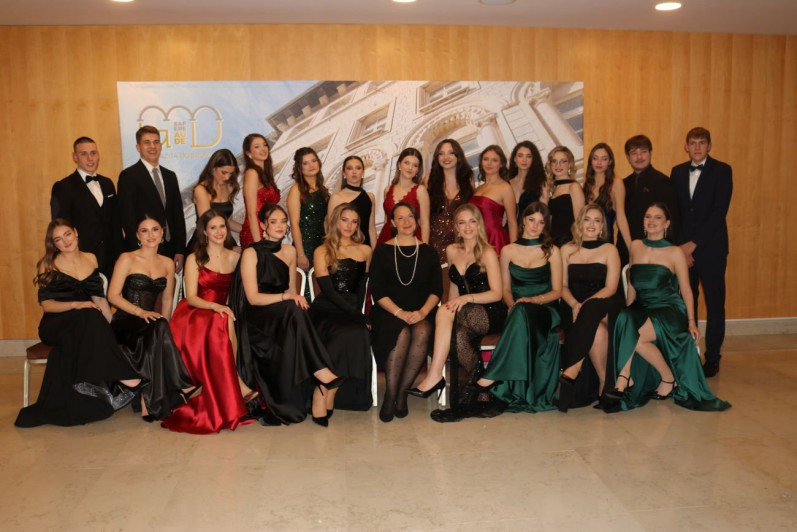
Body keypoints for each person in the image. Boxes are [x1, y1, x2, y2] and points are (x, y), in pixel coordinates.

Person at [15, 220, 141, 428]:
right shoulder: (47, 263)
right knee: (89, 313)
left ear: (75, 232)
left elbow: (99, 298)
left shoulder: (91, 258)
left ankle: (89, 382)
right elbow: (47, 305)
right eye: (58, 239)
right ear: (54, 244)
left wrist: (112, 330)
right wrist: (76, 304)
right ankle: (124, 377)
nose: (65, 241)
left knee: (93, 314)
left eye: (67, 234)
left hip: (85, 321)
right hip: (56, 324)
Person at [608, 203, 730, 412]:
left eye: (658, 218)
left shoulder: (675, 252)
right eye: (648, 216)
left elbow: (687, 290)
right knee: (625, 319)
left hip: (668, 310)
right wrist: (630, 310)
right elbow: (632, 283)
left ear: (667, 224)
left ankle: (625, 378)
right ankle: (664, 377)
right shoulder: (635, 246)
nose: (652, 221)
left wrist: (691, 322)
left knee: (635, 335)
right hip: (643, 307)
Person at [230, 203, 344, 426]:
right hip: (256, 317)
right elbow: (253, 298)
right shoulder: (251, 252)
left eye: (284, 222)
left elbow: (292, 290)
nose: (280, 226)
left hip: (281, 313)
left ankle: (319, 373)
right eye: (274, 222)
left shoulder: (290, 251)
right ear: (263, 225)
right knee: (293, 307)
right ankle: (321, 371)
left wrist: (290, 297)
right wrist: (285, 297)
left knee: (297, 308)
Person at [409, 204, 507, 422]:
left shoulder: (488, 252)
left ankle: (435, 375)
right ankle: (478, 393)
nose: (468, 227)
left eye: (472, 221)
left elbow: (497, 294)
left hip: (490, 311)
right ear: (456, 227)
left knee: (447, 313)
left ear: (479, 224)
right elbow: (454, 287)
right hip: (465, 311)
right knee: (459, 337)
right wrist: (450, 309)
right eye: (462, 222)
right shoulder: (452, 250)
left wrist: (465, 299)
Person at [162, 210, 256, 434]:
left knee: (224, 319)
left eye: (222, 226)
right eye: (213, 228)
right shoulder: (195, 257)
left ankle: (230, 384)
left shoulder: (235, 257)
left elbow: (239, 293)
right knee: (222, 318)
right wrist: (215, 306)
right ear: (204, 231)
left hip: (220, 315)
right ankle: (237, 383)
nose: (219, 232)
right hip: (194, 312)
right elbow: (192, 297)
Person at [469, 202, 562, 415]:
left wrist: (533, 300)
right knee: (520, 311)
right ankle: (493, 377)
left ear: (546, 225)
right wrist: (512, 304)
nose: (535, 226)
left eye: (541, 222)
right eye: (531, 220)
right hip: (517, 310)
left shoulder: (552, 251)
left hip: (545, 310)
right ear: (523, 221)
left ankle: (491, 375)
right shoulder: (508, 250)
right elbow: (505, 290)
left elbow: (557, 291)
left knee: (522, 310)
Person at [108, 214, 195, 422]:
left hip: (152, 322)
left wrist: (165, 328)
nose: (150, 235)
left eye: (155, 229)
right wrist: (140, 312)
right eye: (144, 231)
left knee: (158, 329)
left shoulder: (167, 263)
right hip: (126, 319)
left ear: (162, 233)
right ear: (137, 236)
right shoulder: (127, 258)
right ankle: (181, 383)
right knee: (157, 327)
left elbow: (167, 300)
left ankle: (147, 399)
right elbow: (112, 295)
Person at [370, 202, 442, 422]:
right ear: (392, 223)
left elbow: (436, 290)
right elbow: (378, 291)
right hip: (388, 312)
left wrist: (422, 312)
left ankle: (401, 394)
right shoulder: (382, 251)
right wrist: (399, 313)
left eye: (410, 216)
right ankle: (390, 396)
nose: (406, 222)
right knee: (401, 332)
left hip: (422, 311)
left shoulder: (428, 252)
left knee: (421, 331)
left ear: (416, 220)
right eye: (400, 218)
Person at [671, 127, 733, 378]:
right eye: (693, 143)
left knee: (715, 303)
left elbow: (719, 212)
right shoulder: (676, 172)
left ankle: (713, 356)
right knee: (687, 302)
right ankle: (690, 354)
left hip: (711, 249)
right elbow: (675, 213)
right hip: (684, 251)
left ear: (709, 146)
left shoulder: (723, 170)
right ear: (686, 146)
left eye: (702, 142)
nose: (697, 147)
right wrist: (681, 248)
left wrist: (693, 244)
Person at [310, 203, 373, 414]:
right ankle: (322, 390)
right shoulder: (322, 250)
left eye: (354, 222)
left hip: (351, 309)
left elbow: (362, 288)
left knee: (359, 333)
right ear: (335, 221)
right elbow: (328, 290)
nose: (349, 226)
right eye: (344, 220)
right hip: (326, 309)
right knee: (343, 334)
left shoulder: (365, 250)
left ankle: (331, 390)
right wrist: (357, 315)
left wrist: (359, 314)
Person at [558, 204, 621, 412]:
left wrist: (585, 305)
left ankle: (573, 367)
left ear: (602, 226)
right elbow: (561, 286)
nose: (592, 224)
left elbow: (611, 288)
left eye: (597, 220)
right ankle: (605, 383)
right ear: (579, 223)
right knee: (598, 331)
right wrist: (574, 304)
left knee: (592, 310)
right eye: (587, 219)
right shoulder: (566, 250)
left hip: (604, 304)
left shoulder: (610, 249)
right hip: (572, 306)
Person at [50, 137, 124, 279]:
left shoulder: (107, 183)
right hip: (81, 260)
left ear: (98, 155)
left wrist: (120, 255)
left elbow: (116, 223)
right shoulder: (63, 187)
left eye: (93, 153)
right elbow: (60, 227)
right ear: (75, 157)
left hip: (110, 259)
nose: (90, 158)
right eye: (83, 154)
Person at [118, 125, 187, 273]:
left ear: (161, 146)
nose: (152, 146)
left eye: (156, 142)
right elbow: (127, 218)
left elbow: (177, 215)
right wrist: (138, 251)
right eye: (147, 142)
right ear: (138, 147)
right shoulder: (129, 176)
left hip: (170, 249)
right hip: (143, 250)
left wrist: (180, 249)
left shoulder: (170, 176)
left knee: (169, 288)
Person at [617, 135, 679, 264]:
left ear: (650, 153)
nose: (639, 157)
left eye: (643, 152)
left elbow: (671, 220)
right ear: (628, 157)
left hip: (654, 250)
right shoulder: (623, 184)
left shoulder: (662, 182)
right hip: (625, 249)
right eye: (634, 153)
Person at [425, 139, 474, 263]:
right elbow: (423, 215)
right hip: (433, 243)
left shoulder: (468, 179)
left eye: (451, 153)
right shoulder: (429, 179)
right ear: (437, 157)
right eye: (441, 154)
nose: (446, 157)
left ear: (458, 155)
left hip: (460, 242)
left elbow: (472, 213)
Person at [286, 147, 330, 275]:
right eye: (306, 163)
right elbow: (294, 224)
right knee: (305, 282)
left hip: (322, 244)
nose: (311, 165)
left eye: (314, 161)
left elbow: (326, 221)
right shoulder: (296, 190)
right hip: (304, 245)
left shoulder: (323, 190)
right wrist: (300, 254)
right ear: (300, 168)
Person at [468, 145, 517, 254]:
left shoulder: (505, 188)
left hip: (495, 239)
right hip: (476, 238)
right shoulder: (478, 189)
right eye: (486, 159)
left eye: (494, 160)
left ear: (501, 164)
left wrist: (513, 252)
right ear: (481, 162)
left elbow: (512, 223)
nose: (489, 163)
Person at [376, 148, 430, 245]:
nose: (410, 168)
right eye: (407, 163)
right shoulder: (387, 190)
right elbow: (387, 220)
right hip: (388, 238)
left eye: (415, 165)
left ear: (418, 170)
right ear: (399, 165)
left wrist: (424, 248)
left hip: (412, 240)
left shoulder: (420, 190)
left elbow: (424, 223)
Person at [583, 143, 632, 248]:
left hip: (605, 244)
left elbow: (621, 218)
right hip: (585, 243)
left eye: (604, 159)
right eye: (595, 158)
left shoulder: (616, 183)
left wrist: (630, 247)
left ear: (610, 161)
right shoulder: (586, 185)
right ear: (591, 161)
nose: (599, 162)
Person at [189, 148, 241, 246]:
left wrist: (246, 230)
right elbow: (209, 224)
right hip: (205, 243)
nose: (227, 177)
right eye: (224, 172)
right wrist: (228, 248)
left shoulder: (228, 187)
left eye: (230, 173)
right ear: (213, 169)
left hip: (222, 238)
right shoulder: (201, 190)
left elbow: (228, 222)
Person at [239, 133, 280, 248]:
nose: (263, 149)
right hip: (255, 234)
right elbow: (251, 214)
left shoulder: (266, 174)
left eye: (265, 145)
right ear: (249, 153)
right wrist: (260, 245)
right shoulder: (252, 173)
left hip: (269, 231)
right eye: (257, 146)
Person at [327, 155, 377, 248]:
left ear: (363, 173)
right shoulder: (336, 198)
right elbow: (331, 230)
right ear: (344, 173)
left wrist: (375, 253)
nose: (354, 172)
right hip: (344, 249)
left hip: (366, 248)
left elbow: (371, 229)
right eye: (350, 168)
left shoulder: (370, 197)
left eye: (358, 168)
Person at [547, 146, 585, 247]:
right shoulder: (553, 189)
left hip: (568, 242)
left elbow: (579, 221)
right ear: (550, 165)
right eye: (554, 161)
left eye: (563, 161)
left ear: (570, 164)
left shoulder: (574, 187)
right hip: (553, 241)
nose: (558, 165)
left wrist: (576, 244)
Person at [507, 140, 548, 226]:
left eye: (528, 156)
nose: (524, 160)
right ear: (515, 159)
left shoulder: (540, 184)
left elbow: (544, 212)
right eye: (520, 155)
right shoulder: (506, 184)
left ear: (533, 160)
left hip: (531, 230)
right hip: (508, 231)